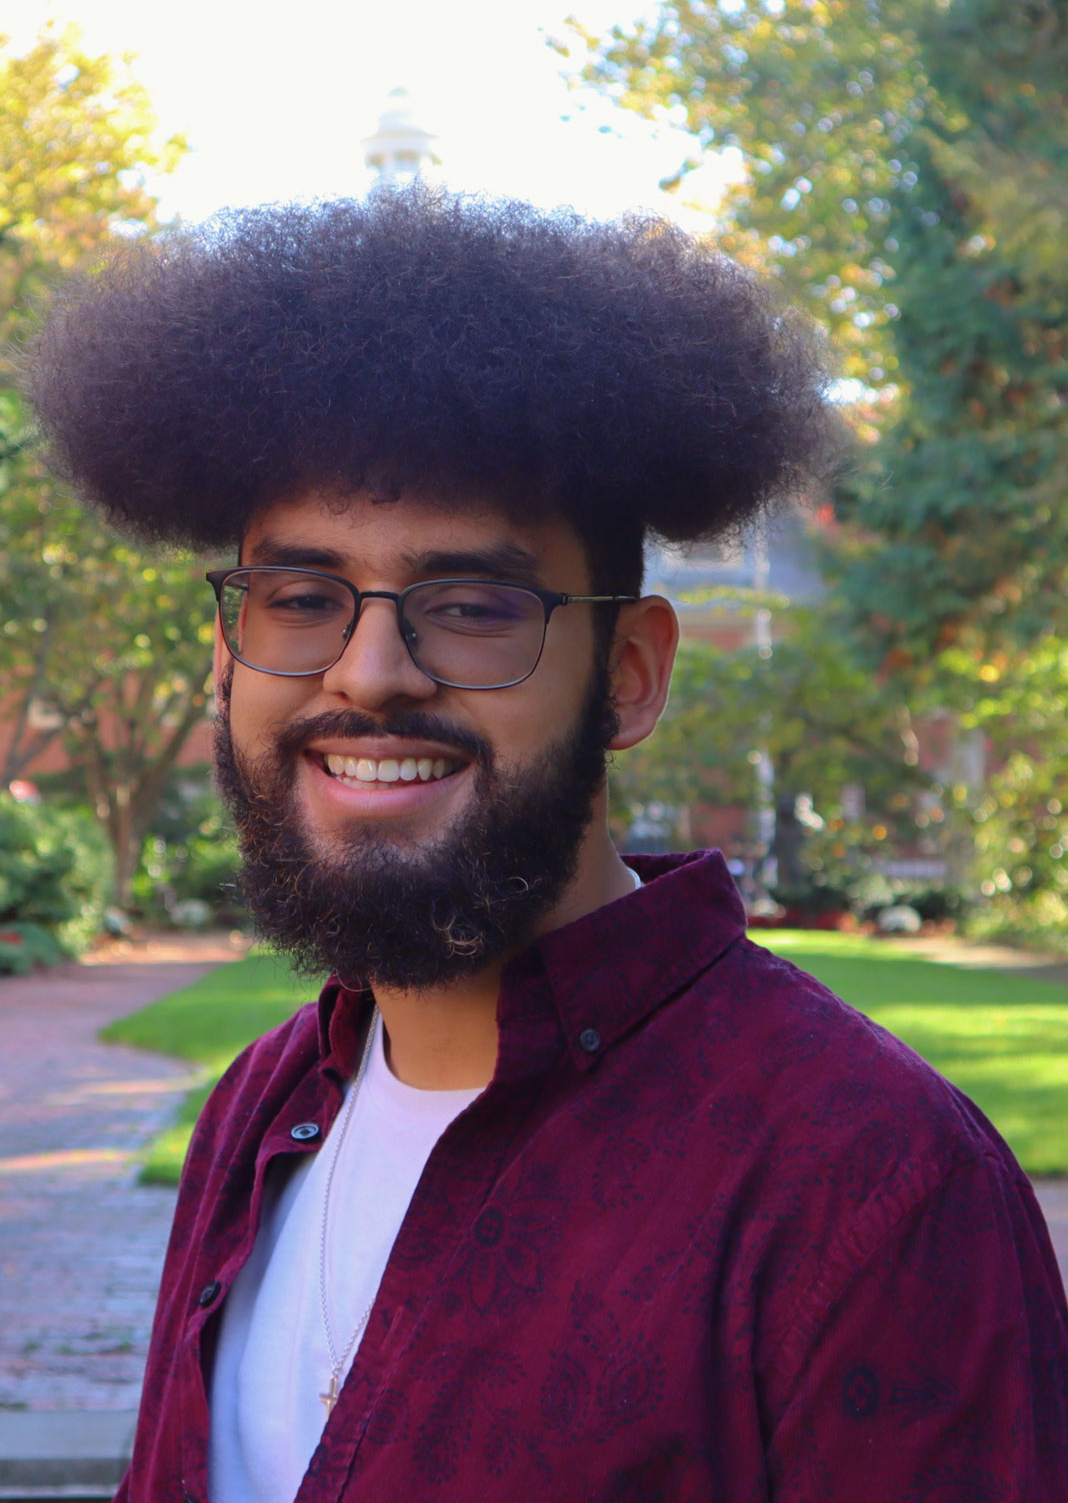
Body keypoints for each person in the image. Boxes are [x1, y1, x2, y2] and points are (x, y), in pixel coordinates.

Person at [26, 188, 1068, 1502]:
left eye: (469, 604)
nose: (372, 671)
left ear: (628, 673)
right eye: (300, 598)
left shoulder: (871, 1191)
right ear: (230, 656)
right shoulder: (255, 1114)